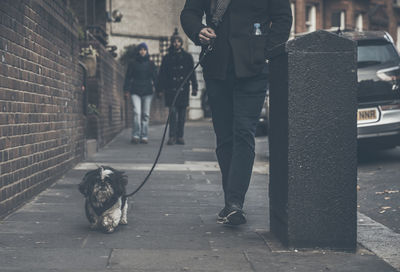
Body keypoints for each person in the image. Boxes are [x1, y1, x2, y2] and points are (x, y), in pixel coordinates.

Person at [181, 0, 292, 225]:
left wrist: (265, 51)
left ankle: (234, 203)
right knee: (224, 138)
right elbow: (189, 13)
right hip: (217, 66)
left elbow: (283, 18)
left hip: (253, 68)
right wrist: (198, 30)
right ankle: (231, 200)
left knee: (243, 132)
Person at [157, 31, 198, 145]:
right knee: (173, 114)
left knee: (182, 115)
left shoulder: (188, 57)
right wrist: (159, 89)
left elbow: (192, 73)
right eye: (174, 42)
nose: (176, 43)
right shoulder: (167, 58)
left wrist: (195, 87)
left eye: (178, 41)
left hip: (183, 90)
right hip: (171, 90)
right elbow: (162, 74)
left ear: (181, 43)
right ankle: (172, 136)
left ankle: (180, 136)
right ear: (172, 43)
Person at [124, 43, 157, 144]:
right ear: (138, 51)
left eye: (144, 49)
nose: (142, 51)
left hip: (148, 91)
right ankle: (135, 135)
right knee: (137, 113)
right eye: (141, 49)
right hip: (135, 91)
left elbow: (155, 77)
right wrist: (126, 90)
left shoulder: (151, 64)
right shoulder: (132, 63)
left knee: (145, 114)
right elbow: (128, 77)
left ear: (147, 51)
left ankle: (144, 136)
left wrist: (159, 90)